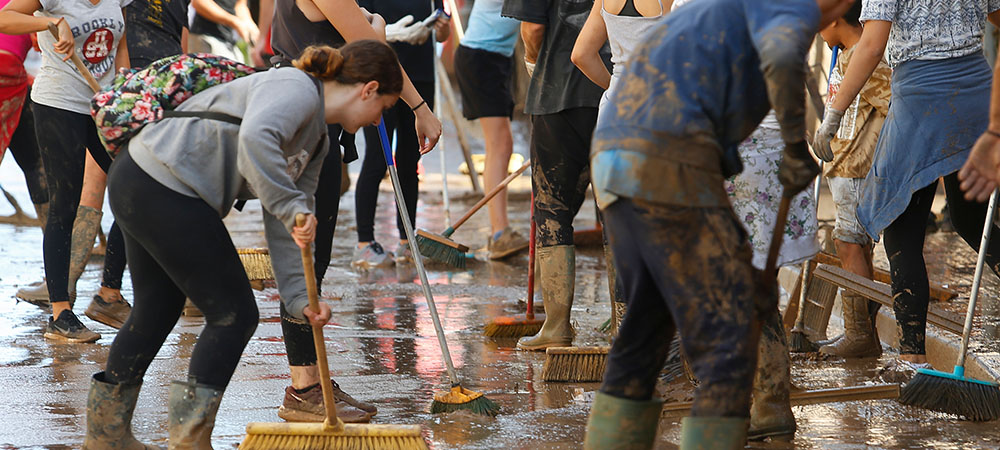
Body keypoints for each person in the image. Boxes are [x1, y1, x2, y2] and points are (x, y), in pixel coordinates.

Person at [83, 42, 403, 448]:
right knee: (234, 314)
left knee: (156, 309)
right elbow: (257, 142)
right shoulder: (296, 86)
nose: (379, 120)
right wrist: (291, 208)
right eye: (385, 108)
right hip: (161, 182)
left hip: (144, 177)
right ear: (369, 89)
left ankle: (105, 438)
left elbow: (286, 226)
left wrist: (301, 300)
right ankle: (189, 442)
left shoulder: (318, 142)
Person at [581, 0, 853, 448]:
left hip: (615, 159)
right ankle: (753, 415)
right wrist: (792, 144)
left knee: (646, 322)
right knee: (729, 336)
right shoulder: (789, 10)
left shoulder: (718, 12)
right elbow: (783, 62)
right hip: (666, 164)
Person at [252, 0, 443, 423]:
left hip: (317, 113)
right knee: (304, 259)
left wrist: (373, 27)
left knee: (313, 261)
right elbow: (370, 44)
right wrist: (419, 106)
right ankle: (304, 388)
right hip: (302, 114)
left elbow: (365, 39)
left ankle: (311, 382)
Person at [813, 0, 1000, 369]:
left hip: (920, 99)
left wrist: (833, 114)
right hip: (975, 93)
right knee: (971, 221)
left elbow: (871, 44)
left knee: (900, 231)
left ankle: (913, 361)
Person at [0, 0, 132, 342]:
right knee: (65, 204)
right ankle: (60, 314)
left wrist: (125, 89)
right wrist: (49, 23)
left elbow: (120, 41)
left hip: (103, 104)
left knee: (134, 190)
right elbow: (4, 19)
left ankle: (109, 294)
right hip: (58, 103)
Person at [502, 0, 612, 352]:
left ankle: (557, 325)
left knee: (552, 210)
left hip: (557, 92)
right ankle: (626, 327)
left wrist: (532, 62)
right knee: (619, 213)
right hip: (619, 90)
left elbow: (532, 28)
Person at [814, 1, 891, 359]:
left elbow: (892, 104)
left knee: (849, 244)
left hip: (858, 166)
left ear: (835, 17)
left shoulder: (866, 56)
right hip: (844, 166)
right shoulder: (846, 53)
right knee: (852, 245)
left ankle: (859, 333)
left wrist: (875, 147)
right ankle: (862, 333)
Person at [352, 0, 449, 268]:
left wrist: (441, 29)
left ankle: (407, 239)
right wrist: (391, 33)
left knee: (409, 160)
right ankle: (364, 243)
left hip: (420, 78)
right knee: (377, 158)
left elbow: (442, 33)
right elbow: (358, 27)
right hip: (380, 78)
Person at [454, 0, 528, 260]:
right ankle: (499, 233)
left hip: (494, 57)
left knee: (501, 145)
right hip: (481, 57)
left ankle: (500, 230)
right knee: (499, 145)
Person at [0, 0, 47, 226]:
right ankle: (57, 236)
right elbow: (42, 43)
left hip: (13, 77)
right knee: (35, 163)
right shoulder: (33, 4)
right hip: (10, 77)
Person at [188, 0, 256, 63]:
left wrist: (251, 27)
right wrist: (234, 21)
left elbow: (240, 5)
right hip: (206, 37)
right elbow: (199, 2)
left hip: (229, 41)